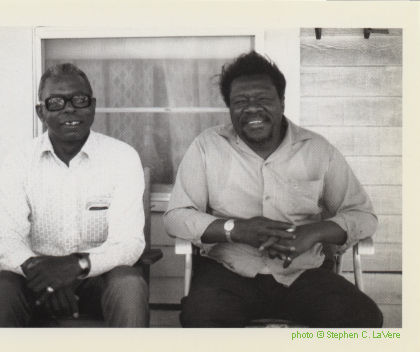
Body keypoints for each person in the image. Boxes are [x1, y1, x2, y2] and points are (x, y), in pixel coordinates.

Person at [163, 50, 383, 328]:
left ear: (281, 102)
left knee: (363, 319)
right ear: (229, 107)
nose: (252, 109)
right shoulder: (207, 146)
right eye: (240, 101)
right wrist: (235, 229)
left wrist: (312, 233)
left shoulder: (317, 149)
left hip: (304, 273)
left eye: (263, 99)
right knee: (201, 318)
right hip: (229, 273)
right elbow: (176, 217)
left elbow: (363, 216)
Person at [0, 63, 148, 327]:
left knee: (129, 284)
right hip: (34, 283)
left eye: (79, 100)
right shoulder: (19, 161)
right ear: (41, 112)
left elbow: (128, 243)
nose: (70, 108)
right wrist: (43, 275)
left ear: (92, 106)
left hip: (96, 278)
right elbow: (4, 239)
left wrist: (75, 267)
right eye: (56, 102)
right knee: (3, 285)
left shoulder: (122, 158)